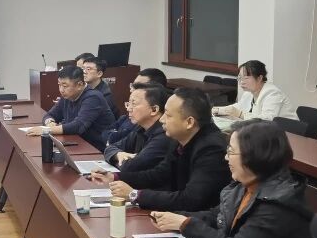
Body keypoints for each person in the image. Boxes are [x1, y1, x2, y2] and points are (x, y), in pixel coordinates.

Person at [150, 119, 317, 238]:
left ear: (254, 156)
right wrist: (176, 217)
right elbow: (217, 216)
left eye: (231, 152)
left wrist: (186, 225)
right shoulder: (243, 186)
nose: (226, 158)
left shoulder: (278, 203)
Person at [97, 87, 229, 211]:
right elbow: (159, 174)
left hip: (199, 218)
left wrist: (135, 195)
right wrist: (115, 177)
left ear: (189, 122)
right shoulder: (179, 138)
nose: (162, 119)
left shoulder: (211, 149)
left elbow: (191, 199)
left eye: (168, 115)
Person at [26, 65, 114, 150]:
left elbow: (78, 126)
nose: (61, 90)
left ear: (79, 85)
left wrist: (47, 130)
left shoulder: (93, 97)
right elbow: (50, 115)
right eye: (59, 85)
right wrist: (50, 123)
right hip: (77, 143)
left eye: (65, 86)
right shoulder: (68, 96)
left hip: (97, 148)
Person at [104, 84, 170, 173]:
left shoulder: (164, 135)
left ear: (154, 109)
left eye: (134, 104)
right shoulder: (140, 128)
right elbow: (110, 147)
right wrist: (118, 154)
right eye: (128, 103)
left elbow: (131, 167)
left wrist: (119, 161)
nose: (128, 109)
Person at [104, 68, 171, 148]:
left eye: (140, 86)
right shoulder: (139, 126)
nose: (132, 89)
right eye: (133, 85)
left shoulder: (162, 135)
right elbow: (108, 141)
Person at [214, 60, 295, 120]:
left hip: (288, 133)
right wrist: (218, 110)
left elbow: (267, 119)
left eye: (246, 78)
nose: (242, 82)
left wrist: (240, 114)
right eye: (240, 78)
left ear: (259, 78)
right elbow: (238, 107)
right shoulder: (249, 92)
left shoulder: (272, 93)